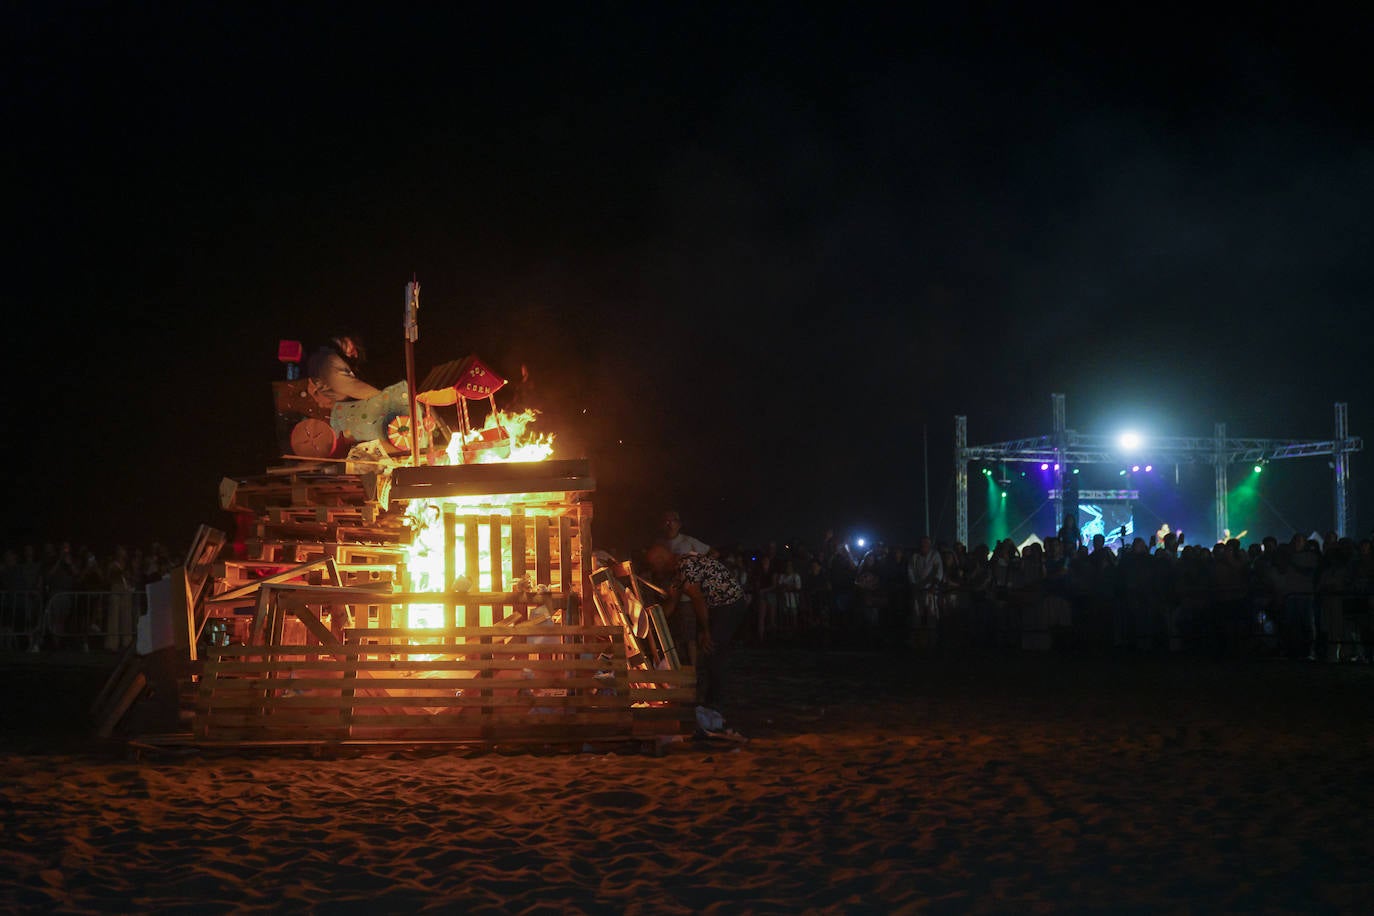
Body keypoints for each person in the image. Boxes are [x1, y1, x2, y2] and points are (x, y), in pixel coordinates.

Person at [645, 544, 748, 717]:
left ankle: (716, 703)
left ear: (661, 560)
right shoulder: (679, 573)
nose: (655, 570)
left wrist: (706, 631)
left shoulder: (686, 564)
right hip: (718, 607)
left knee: (713, 649)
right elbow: (671, 606)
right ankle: (711, 699)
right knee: (710, 652)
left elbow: (698, 599)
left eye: (654, 565)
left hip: (728, 605)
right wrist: (650, 619)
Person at [305, 334, 382, 402]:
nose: (355, 355)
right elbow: (359, 389)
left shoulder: (334, 350)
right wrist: (386, 398)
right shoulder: (330, 361)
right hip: (335, 399)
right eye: (355, 347)